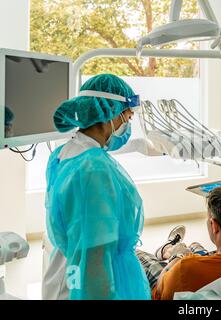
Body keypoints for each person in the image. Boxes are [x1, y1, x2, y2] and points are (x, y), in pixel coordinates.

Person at [43, 74, 150, 300]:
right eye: (127, 118)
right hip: (89, 283)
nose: (127, 126)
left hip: (67, 270)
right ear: (108, 114)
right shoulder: (94, 170)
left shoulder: (65, 153)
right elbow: (94, 257)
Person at [136, 184, 221, 300]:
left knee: (140, 256)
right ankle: (170, 248)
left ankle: (169, 251)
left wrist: (176, 258)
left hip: (167, 280)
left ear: (214, 226)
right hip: (213, 263)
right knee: (195, 246)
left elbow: (161, 293)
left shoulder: (186, 268)